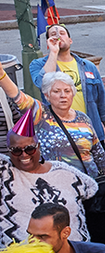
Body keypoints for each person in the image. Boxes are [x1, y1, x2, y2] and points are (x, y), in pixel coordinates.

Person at [9, 65, 105, 246]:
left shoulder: (83, 118)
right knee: (67, 236)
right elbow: (18, 97)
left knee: (98, 238)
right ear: (47, 95)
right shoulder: (41, 115)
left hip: (89, 189)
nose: (63, 95)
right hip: (58, 191)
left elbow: (97, 151)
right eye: (56, 91)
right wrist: (3, 75)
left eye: (67, 90)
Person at [0, 104, 97, 245]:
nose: (24, 155)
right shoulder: (5, 173)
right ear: (9, 151)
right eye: (16, 150)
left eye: (30, 149)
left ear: (38, 147)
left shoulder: (66, 173)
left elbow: (91, 191)